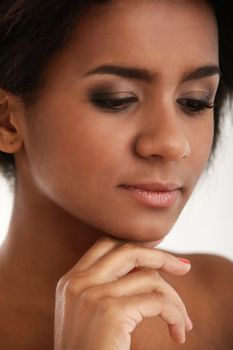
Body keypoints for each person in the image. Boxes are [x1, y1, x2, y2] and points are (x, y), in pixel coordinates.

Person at [0, 0, 232, 349]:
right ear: (7, 120)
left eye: (194, 102)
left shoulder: (224, 303)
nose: (172, 143)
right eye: (117, 99)